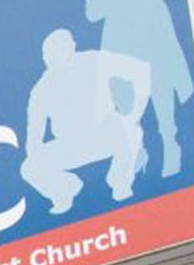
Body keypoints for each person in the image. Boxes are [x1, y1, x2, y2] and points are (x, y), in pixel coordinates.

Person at [84, 0, 194, 178]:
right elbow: (91, 11)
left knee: (160, 84)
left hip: (151, 26)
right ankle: (138, 150)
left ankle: (171, 144)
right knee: (122, 97)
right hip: (119, 35)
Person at [21, 29, 150, 214]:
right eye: (50, 54)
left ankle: (120, 184)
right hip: (71, 145)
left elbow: (139, 70)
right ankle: (64, 191)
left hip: (105, 132)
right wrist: (36, 156)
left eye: (60, 50)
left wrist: (135, 111)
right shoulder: (41, 89)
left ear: (72, 47)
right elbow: (34, 133)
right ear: (45, 58)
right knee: (29, 167)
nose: (55, 57)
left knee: (130, 130)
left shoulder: (93, 60)